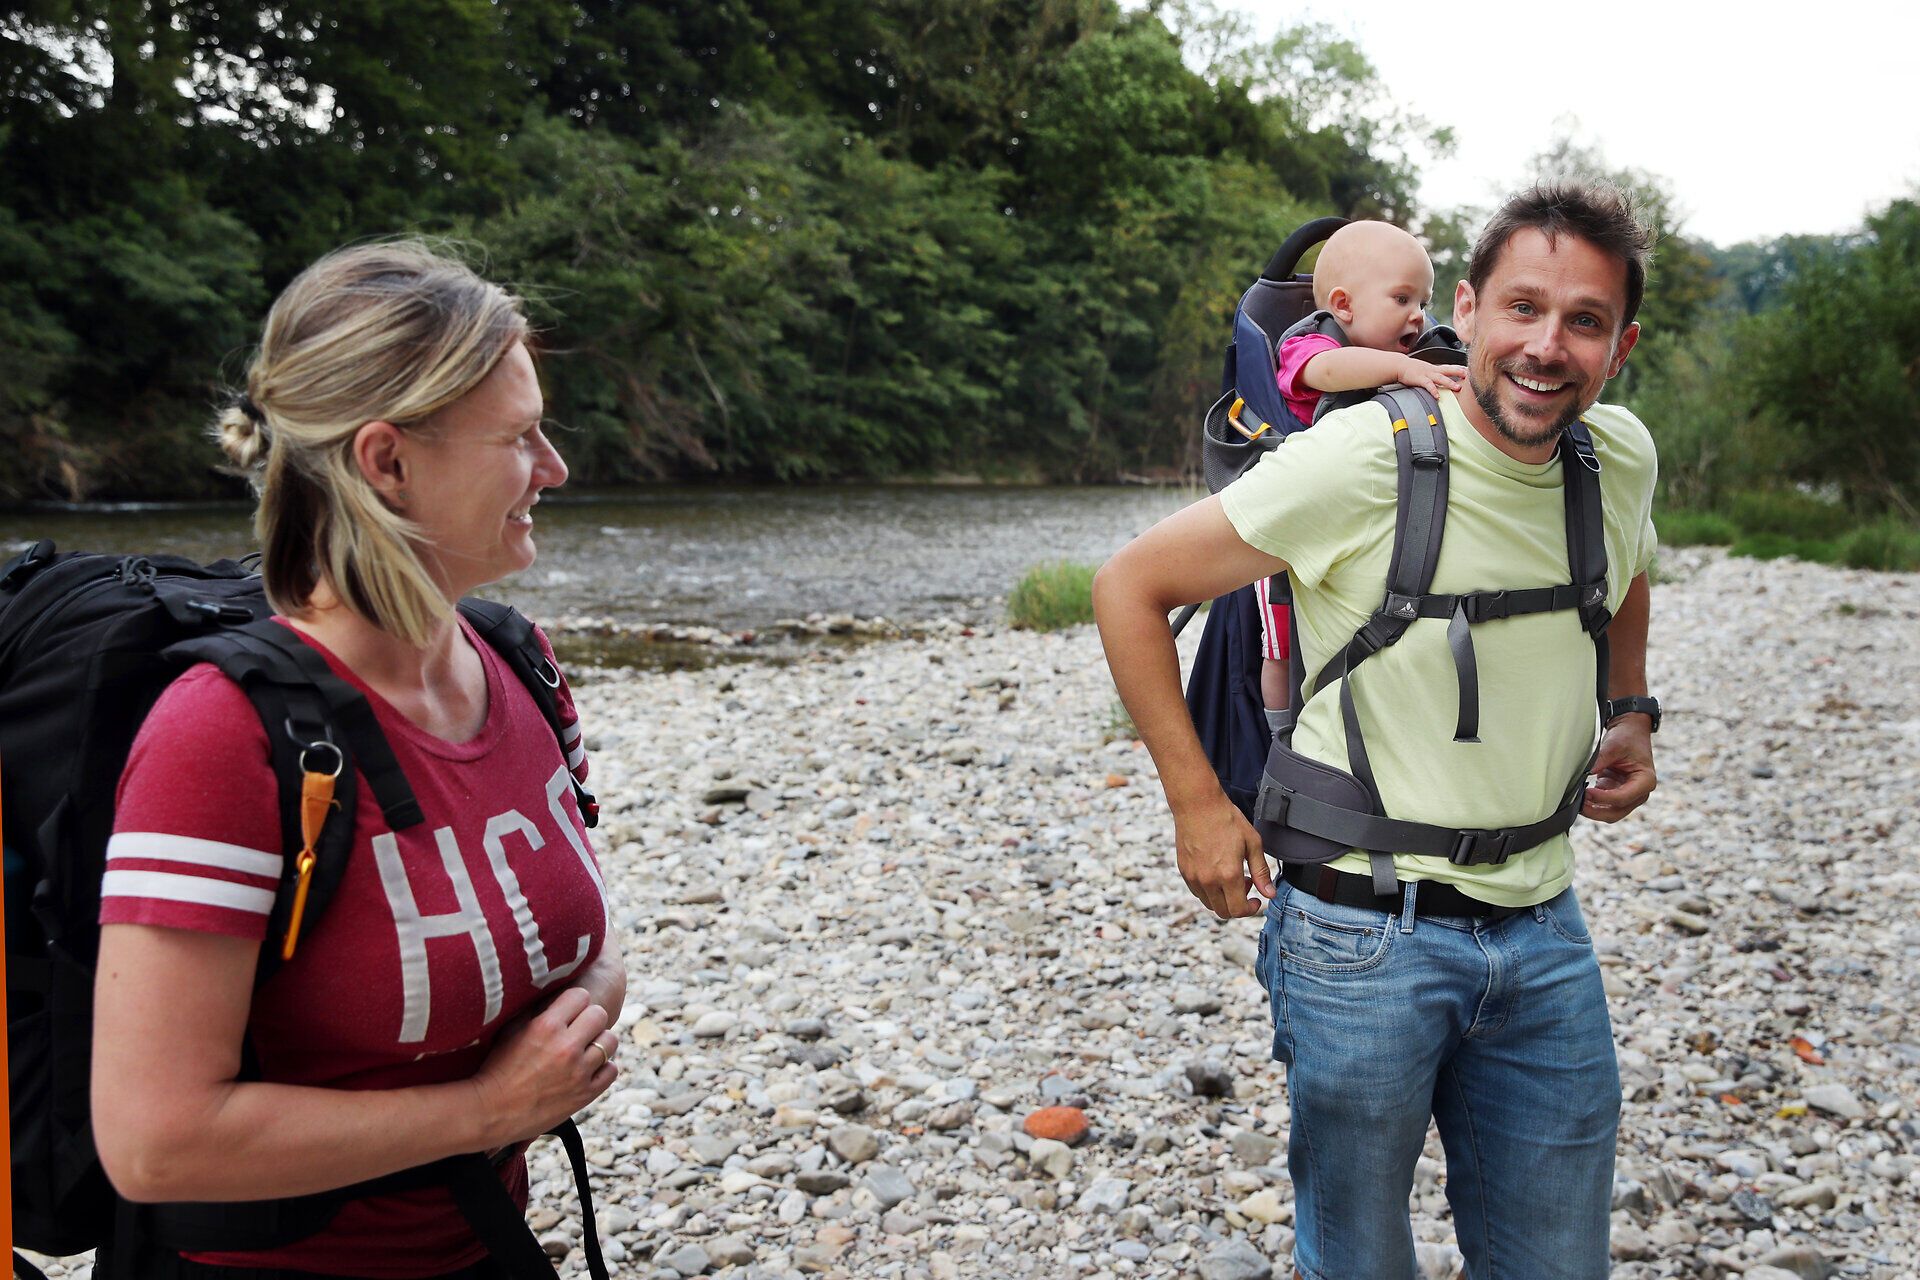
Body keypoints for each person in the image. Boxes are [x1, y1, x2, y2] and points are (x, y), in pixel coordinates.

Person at [1093, 182, 1661, 1280]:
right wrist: (1196, 803)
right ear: (1470, 306)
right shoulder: (1364, 459)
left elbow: (1628, 563)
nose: (1547, 347)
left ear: (1620, 344)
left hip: (1545, 931)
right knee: (1358, 1258)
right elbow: (1130, 584)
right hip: (1359, 937)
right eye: (1524, 308)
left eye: (1584, 321)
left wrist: (1627, 709)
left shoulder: (1617, 457)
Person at [91, 241, 625, 1279]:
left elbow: (589, 926)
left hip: (482, 1245)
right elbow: (153, 1140)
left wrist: (572, 1026)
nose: (554, 468)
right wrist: (484, 1109)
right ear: (387, 462)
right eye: (519, 437)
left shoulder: (517, 660)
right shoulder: (221, 733)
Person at [1257, 220, 1467, 717]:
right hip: (1292, 519)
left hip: (1367, 512)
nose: (1418, 316)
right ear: (1345, 305)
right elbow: (1327, 374)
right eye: (1402, 300)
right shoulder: (1309, 348)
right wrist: (1399, 370)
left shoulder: (1416, 351)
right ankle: (1277, 728)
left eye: (1423, 301)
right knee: (1279, 642)